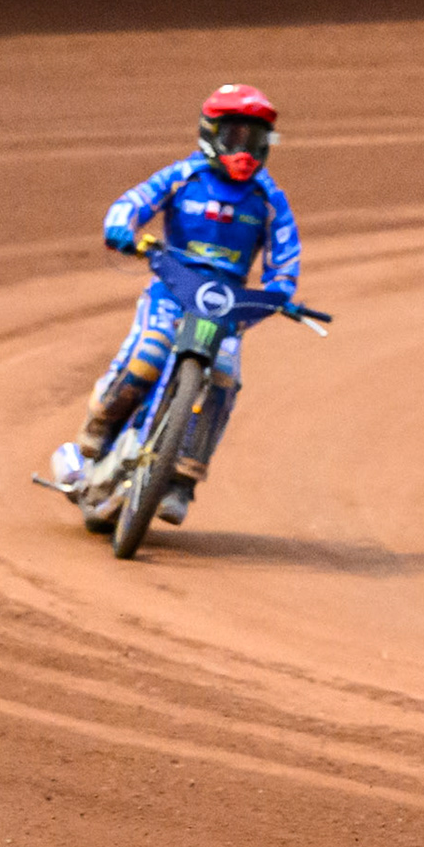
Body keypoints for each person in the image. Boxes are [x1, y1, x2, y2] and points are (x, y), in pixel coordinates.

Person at [59, 84, 301, 526]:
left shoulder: (268, 199)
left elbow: (284, 259)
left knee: (224, 376)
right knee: (149, 352)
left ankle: (183, 478)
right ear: (211, 135)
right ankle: (99, 427)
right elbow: (132, 203)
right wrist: (121, 229)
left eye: (254, 139)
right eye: (235, 137)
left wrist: (280, 291)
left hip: (227, 305)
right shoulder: (182, 176)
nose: (244, 151)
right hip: (173, 287)